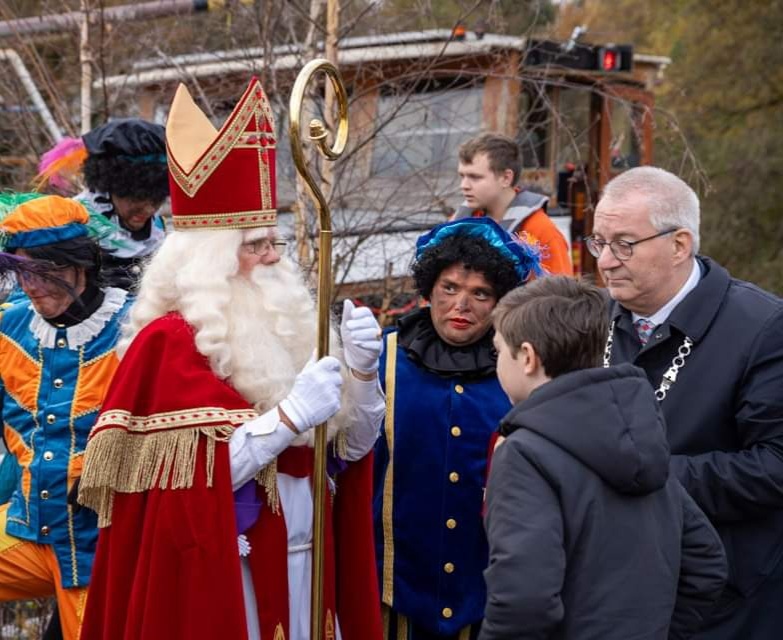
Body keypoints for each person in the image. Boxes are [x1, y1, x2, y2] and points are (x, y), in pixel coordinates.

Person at [77, 77, 385, 640]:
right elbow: (191, 483)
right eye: (255, 245)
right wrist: (289, 417)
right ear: (211, 261)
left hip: (311, 564)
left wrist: (363, 377)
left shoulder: (291, 326)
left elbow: (348, 452)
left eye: (275, 242)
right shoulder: (170, 341)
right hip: (229, 574)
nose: (272, 258)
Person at [593, 166, 783, 639]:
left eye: (624, 244)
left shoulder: (763, 328)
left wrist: (646, 479)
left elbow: (775, 466)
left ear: (680, 245)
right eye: (599, 242)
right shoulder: (592, 317)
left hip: (725, 598)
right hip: (611, 591)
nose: (606, 261)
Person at [481, 276, 727, 640]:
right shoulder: (637, 432)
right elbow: (705, 562)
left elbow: (524, 598)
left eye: (499, 350)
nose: (497, 362)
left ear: (528, 357)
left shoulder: (524, 454)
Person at [374, 216, 540, 639]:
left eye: (480, 293)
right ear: (429, 289)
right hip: (391, 593)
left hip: (486, 596)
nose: (461, 306)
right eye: (450, 288)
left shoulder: (522, 370)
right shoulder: (379, 360)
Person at [0, 193, 132, 640]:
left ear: (80, 264)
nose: (31, 287)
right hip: (25, 528)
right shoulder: (8, 327)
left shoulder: (137, 329)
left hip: (97, 551)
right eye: (21, 274)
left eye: (42, 272)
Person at [37, 118, 170, 290]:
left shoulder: (156, 228)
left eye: (157, 198)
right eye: (137, 197)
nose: (149, 209)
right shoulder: (66, 222)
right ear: (107, 186)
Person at [453, 132, 573, 275]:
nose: (464, 185)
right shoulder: (459, 221)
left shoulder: (540, 231)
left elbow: (563, 294)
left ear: (506, 178)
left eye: (475, 177)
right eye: (462, 176)